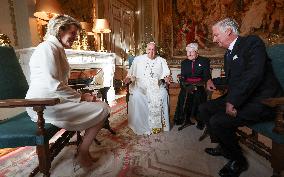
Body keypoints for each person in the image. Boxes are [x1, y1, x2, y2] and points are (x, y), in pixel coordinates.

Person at [199, 18, 283, 177]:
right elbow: (233, 80)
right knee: (204, 108)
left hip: (264, 101)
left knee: (218, 121)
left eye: (216, 35)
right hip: (242, 96)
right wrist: (212, 81)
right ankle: (224, 147)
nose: (214, 39)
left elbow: (254, 74)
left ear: (228, 31)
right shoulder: (228, 54)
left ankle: (238, 161)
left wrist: (233, 101)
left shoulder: (252, 42)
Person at [25, 15, 110, 169]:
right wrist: (82, 97)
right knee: (103, 108)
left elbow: (59, 84)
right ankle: (83, 151)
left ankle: (82, 150)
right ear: (60, 29)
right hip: (42, 105)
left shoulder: (57, 49)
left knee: (101, 107)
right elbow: (54, 84)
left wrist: (83, 97)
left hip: (54, 100)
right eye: (72, 33)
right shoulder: (47, 48)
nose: (75, 38)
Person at [124, 42, 171, 135]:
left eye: (153, 50)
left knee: (163, 94)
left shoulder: (161, 60)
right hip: (141, 85)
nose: (151, 52)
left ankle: (159, 125)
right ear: (146, 50)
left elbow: (166, 74)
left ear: (156, 51)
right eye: (149, 49)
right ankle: (142, 124)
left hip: (156, 86)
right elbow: (131, 74)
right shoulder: (137, 59)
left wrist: (167, 78)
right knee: (137, 95)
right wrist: (128, 78)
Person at [174, 43, 210, 131]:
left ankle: (200, 121)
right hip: (187, 85)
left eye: (191, 52)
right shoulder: (184, 62)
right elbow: (183, 77)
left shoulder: (204, 61)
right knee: (184, 96)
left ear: (197, 52)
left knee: (199, 97)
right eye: (187, 52)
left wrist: (200, 84)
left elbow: (206, 76)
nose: (189, 54)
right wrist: (186, 86)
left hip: (199, 85)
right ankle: (184, 118)